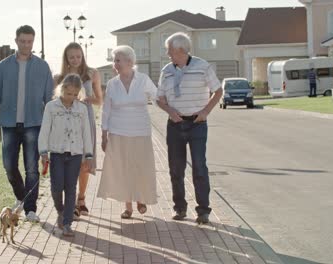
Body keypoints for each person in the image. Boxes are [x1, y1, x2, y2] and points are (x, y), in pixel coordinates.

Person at [156, 32, 222, 224]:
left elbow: (218, 90)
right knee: (175, 169)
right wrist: (169, 111)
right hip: (175, 125)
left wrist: (206, 111)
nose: (168, 55)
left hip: (197, 124)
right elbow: (159, 99)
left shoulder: (202, 66)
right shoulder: (166, 70)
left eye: (170, 51)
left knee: (199, 167)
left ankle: (203, 211)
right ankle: (180, 208)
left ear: (181, 50)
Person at [0, 25, 53, 223]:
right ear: (16, 41)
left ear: (33, 42)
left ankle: (30, 209)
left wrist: (50, 129)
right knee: (9, 165)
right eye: (23, 41)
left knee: (32, 168)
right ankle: (21, 196)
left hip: (34, 123)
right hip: (8, 123)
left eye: (30, 41)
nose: (26, 45)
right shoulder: (4, 66)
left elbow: (49, 100)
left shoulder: (43, 66)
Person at [97, 45, 157, 219]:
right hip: (118, 132)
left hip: (140, 131)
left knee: (139, 167)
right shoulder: (112, 84)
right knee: (122, 169)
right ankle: (128, 206)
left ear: (130, 62)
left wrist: (173, 107)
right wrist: (103, 135)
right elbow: (106, 110)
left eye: (118, 60)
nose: (115, 64)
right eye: (114, 60)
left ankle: (140, 198)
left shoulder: (143, 79)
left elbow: (158, 97)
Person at [38, 73, 93, 236]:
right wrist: (43, 152)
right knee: (56, 187)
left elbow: (86, 133)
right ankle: (60, 211)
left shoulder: (81, 109)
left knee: (70, 188)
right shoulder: (51, 107)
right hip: (57, 154)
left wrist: (88, 155)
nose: (71, 97)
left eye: (75, 95)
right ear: (62, 90)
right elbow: (45, 130)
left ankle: (67, 223)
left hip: (75, 154)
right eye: (69, 94)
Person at [54, 42, 103, 218]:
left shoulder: (92, 73)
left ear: (82, 56)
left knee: (84, 163)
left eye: (78, 56)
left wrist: (88, 98)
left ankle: (81, 199)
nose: (75, 60)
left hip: (85, 122)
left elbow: (100, 100)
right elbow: (54, 102)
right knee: (69, 163)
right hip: (66, 125)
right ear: (66, 58)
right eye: (71, 57)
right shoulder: (59, 78)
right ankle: (72, 201)